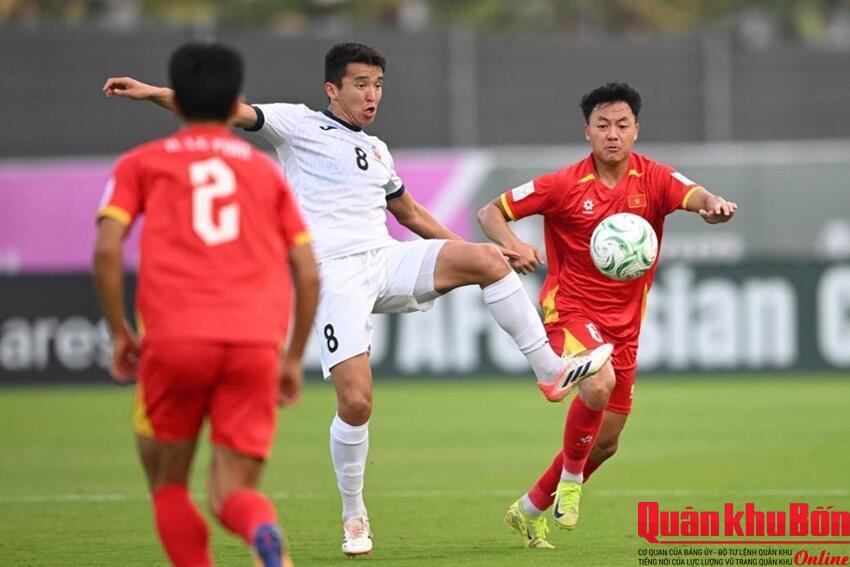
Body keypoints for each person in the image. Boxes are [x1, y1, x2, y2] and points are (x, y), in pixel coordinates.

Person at [102, 42, 612, 556]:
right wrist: (151, 92)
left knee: (486, 260)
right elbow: (222, 110)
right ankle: (353, 515)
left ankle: (550, 371)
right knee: (356, 401)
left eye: (379, 85)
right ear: (333, 89)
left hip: (384, 259)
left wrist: (483, 250)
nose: (373, 96)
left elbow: (411, 214)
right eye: (361, 85)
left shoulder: (378, 150)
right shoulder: (296, 124)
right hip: (334, 274)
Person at [477, 82, 737, 549]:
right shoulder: (561, 185)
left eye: (621, 125)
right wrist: (513, 245)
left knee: (607, 442)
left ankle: (529, 510)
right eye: (602, 125)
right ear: (587, 132)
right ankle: (570, 484)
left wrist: (713, 207)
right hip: (570, 311)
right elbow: (490, 212)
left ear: (636, 130)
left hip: (625, 326)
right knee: (597, 384)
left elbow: (696, 195)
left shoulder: (654, 178)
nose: (612, 134)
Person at [93, 42, 319, 567]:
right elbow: (308, 272)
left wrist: (119, 332)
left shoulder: (141, 163)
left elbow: (106, 249)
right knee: (233, 492)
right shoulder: (265, 173)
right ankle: (262, 531)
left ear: (179, 97)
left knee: (169, 485)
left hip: (175, 341)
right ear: (236, 98)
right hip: (253, 344)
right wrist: (291, 356)